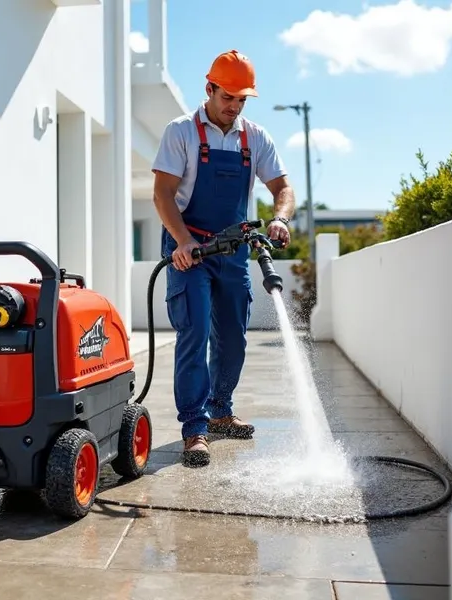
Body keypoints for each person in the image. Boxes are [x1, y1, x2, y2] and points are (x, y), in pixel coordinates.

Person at [151, 49, 297, 467]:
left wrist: (281, 218)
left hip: (233, 250)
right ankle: (194, 427)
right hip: (189, 249)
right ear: (209, 88)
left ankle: (220, 409)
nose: (233, 107)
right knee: (194, 333)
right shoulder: (180, 131)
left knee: (233, 335)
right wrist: (181, 241)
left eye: (241, 100)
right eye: (226, 97)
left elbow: (283, 189)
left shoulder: (255, 137)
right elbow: (162, 194)